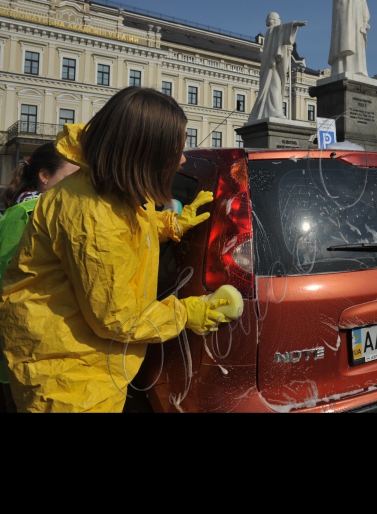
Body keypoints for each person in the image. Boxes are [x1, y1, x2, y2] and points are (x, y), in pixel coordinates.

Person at [0, 88, 235, 413]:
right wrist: (185, 313)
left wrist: (167, 225)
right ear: (145, 153)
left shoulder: (99, 187)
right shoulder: (93, 216)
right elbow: (117, 318)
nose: (182, 159)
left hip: (78, 363)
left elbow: (123, 224)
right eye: (176, 149)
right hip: (69, 383)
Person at [0, 143, 80, 412]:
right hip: (23, 354)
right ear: (45, 177)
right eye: (72, 177)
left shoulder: (44, 211)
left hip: (39, 351)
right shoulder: (28, 214)